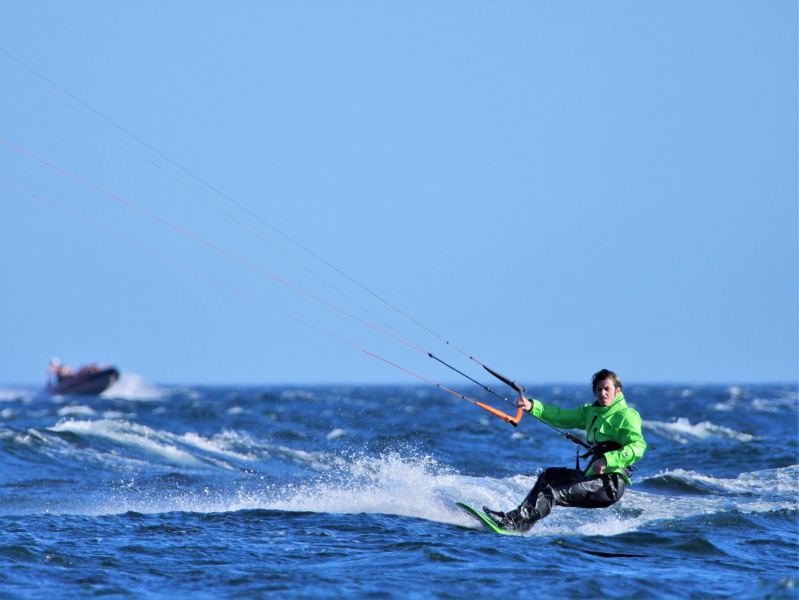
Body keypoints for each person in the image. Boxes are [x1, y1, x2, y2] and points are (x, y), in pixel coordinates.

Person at [483, 368, 646, 532]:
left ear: (618, 391)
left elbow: (638, 446)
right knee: (549, 475)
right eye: (599, 389)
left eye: (607, 389)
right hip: (591, 477)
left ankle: (515, 524)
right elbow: (561, 416)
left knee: (552, 492)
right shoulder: (590, 412)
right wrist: (532, 406)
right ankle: (517, 521)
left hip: (609, 485)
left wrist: (608, 459)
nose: (602, 393)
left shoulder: (627, 415)